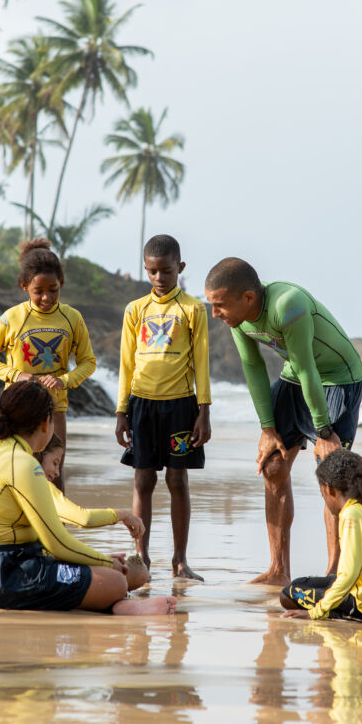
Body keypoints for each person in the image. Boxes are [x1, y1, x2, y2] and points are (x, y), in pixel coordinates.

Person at [0, 380, 175, 615]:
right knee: (115, 580)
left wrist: (92, 561)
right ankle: (125, 607)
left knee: (103, 574)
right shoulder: (23, 463)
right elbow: (57, 543)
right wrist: (106, 563)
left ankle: (114, 602)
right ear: (46, 423)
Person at [204, 258, 362, 585]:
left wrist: (324, 431)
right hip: (294, 379)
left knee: (331, 474)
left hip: (335, 379)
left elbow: (308, 367)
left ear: (248, 298)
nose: (215, 314)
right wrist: (267, 428)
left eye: (219, 305)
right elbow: (253, 368)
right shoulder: (239, 322)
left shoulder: (287, 305)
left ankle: (334, 573)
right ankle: (278, 570)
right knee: (273, 466)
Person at [115, 234, 211, 581]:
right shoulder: (135, 310)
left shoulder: (193, 309)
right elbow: (126, 364)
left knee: (177, 480)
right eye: (153, 272)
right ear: (145, 270)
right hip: (141, 406)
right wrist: (121, 411)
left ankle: (180, 561)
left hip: (181, 408)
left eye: (167, 272)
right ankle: (141, 557)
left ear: (180, 269)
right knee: (142, 479)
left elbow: (202, 362)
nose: (160, 279)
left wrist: (204, 409)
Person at [0, 238, 95, 493]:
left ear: (61, 283)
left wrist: (64, 380)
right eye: (38, 291)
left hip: (55, 407)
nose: (46, 297)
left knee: (54, 473)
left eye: (53, 290)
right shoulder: (11, 318)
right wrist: (14, 374)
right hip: (16, 409)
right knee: (16, 473)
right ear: (24, 286)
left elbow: (88, 362)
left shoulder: (72, 318)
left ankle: (56, 531)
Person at [280, 450, 362, 623]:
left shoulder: (351, 516)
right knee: (301, 582)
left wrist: (316, 612)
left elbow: (349, 575)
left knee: (288, 594)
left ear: (329, 489)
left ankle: (341, 613)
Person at [35, 434, 150, 590]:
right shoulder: (38, 483)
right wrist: (123, 515)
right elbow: (84, 519)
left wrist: (97, 559)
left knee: (115, 572)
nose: (57, 473)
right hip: (30, 574)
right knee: (129, 577)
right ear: (39, 454)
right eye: (55, 463)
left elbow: (55, 546)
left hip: (21, 566)